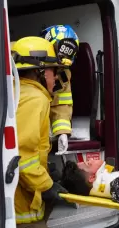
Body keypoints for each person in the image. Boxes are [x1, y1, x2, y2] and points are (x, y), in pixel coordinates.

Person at [12, 36, 69, 228]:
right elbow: (20, 155)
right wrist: (46, 185)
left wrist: (45, 169)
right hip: (23, 209)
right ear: (42, 72)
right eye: (55, 73)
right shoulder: (35, 98)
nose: (56, 80)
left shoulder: (16, 92)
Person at [40, 24, 80, 155]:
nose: (57, 74)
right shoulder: (25, 67)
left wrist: (62, 133)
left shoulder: (63, 75)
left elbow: (61, 106)